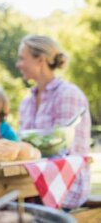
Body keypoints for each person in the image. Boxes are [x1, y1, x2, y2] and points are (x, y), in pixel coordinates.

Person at [16, 34, 91, 209]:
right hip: (32, 184)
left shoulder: (68, 94)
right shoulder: (26, 102)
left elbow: (68, 152)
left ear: (40, 60)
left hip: (65, 186)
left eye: (22, 58)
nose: (18, 64)